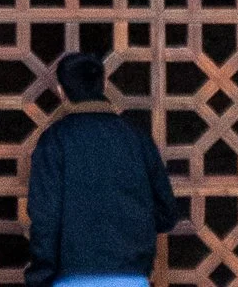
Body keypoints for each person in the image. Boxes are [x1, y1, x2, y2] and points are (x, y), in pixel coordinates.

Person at [23, 53, 181, 287]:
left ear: (60, 90)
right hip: (131, 277)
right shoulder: (136, 138)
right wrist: (132, 230)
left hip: (71, 278)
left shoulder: (54, 141)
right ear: (104, 84)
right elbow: (167, 213)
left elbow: (45, 218)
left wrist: (39, 277)